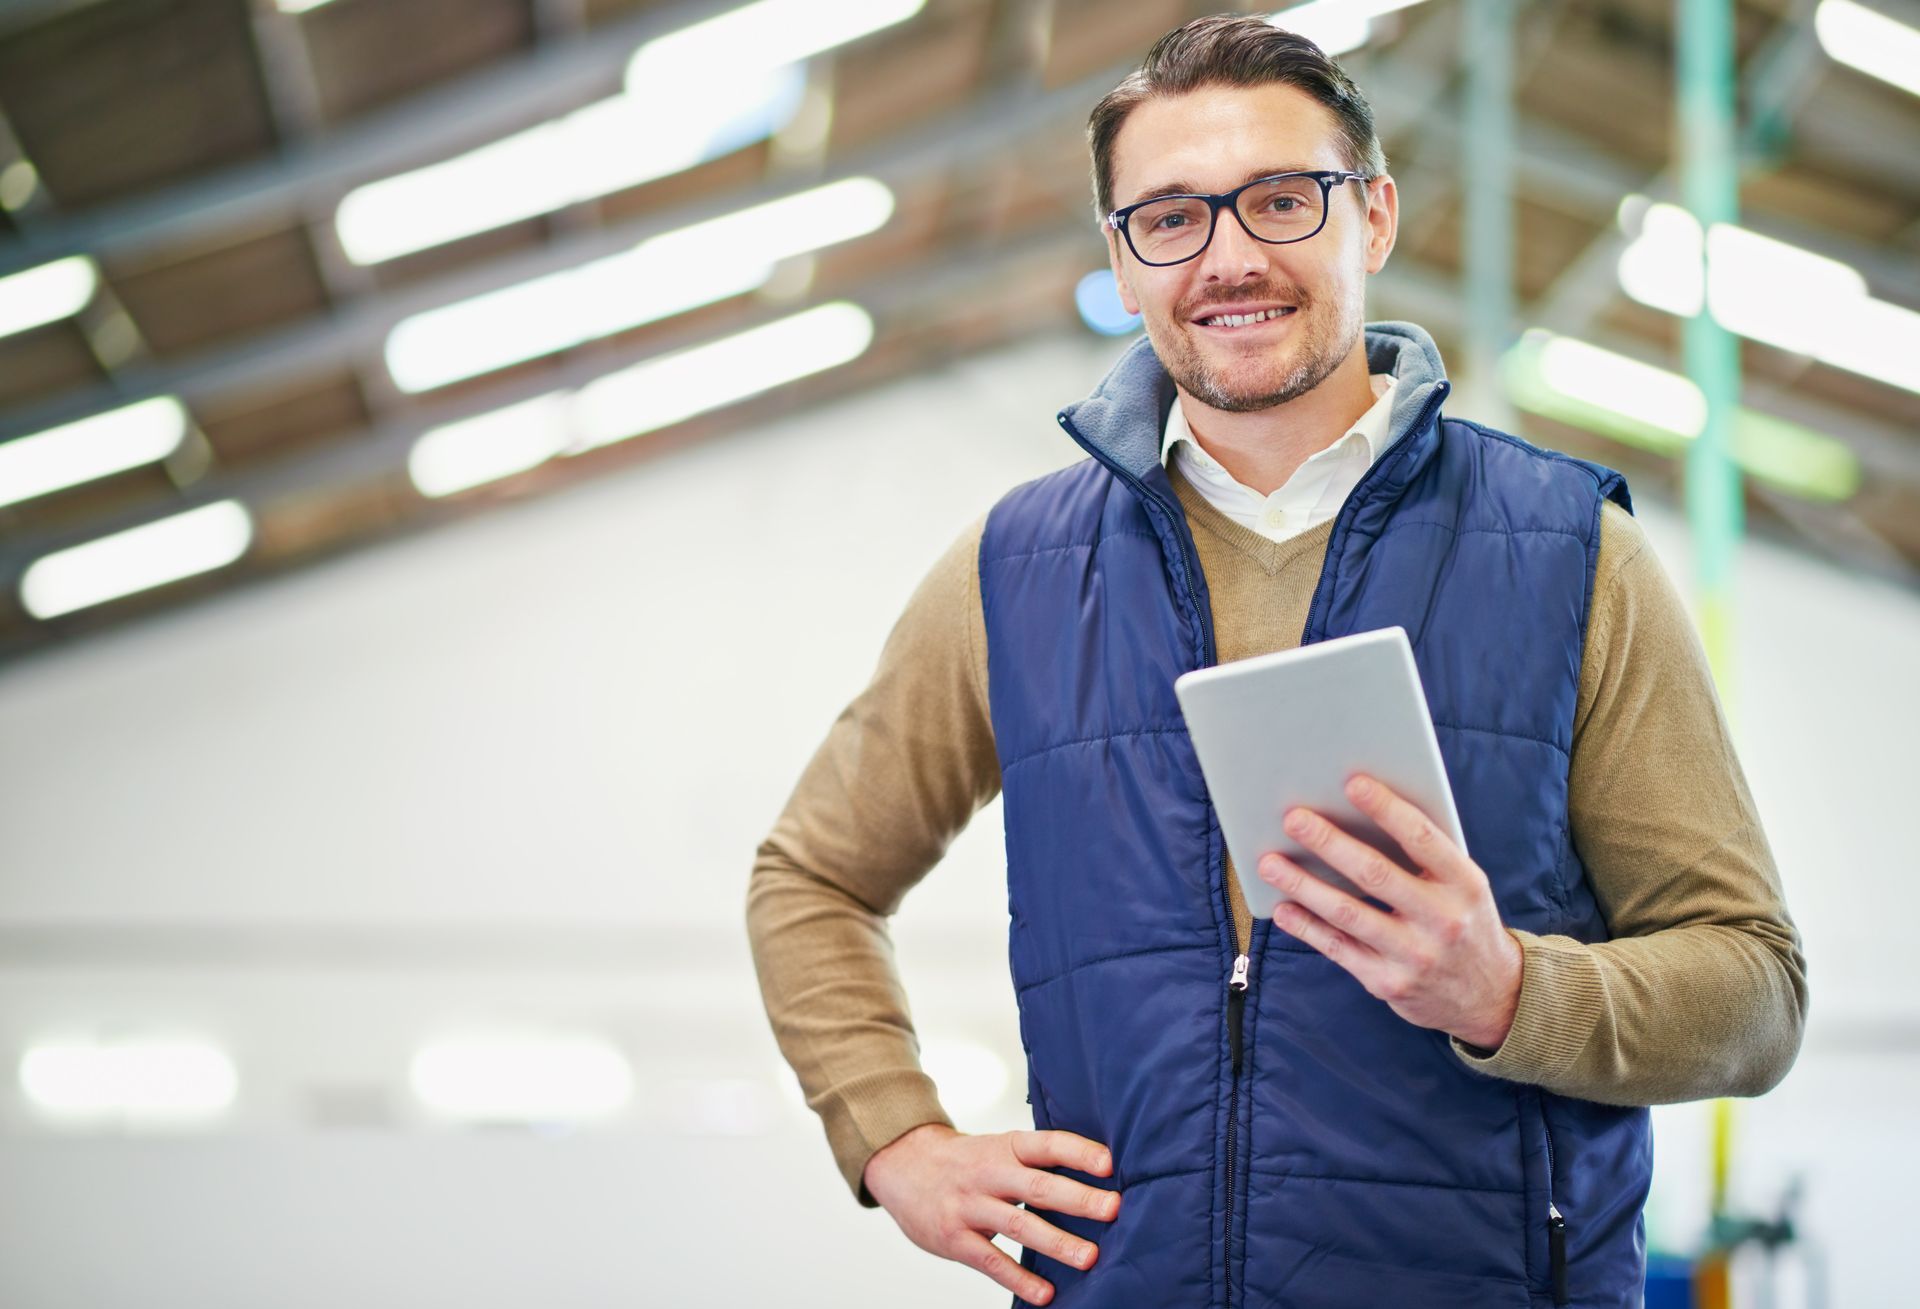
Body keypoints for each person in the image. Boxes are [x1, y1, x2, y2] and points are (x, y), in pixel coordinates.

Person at [745, 14, 1806, 1308]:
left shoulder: (1574, 555)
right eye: (1170, 217)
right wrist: (893, 1133)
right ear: (1123, 262)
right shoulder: (1013, 571)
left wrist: (1512, 988)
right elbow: (810, 877)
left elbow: (1754, 987)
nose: (1230, 256)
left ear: (1375, 218)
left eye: (1280, 199)